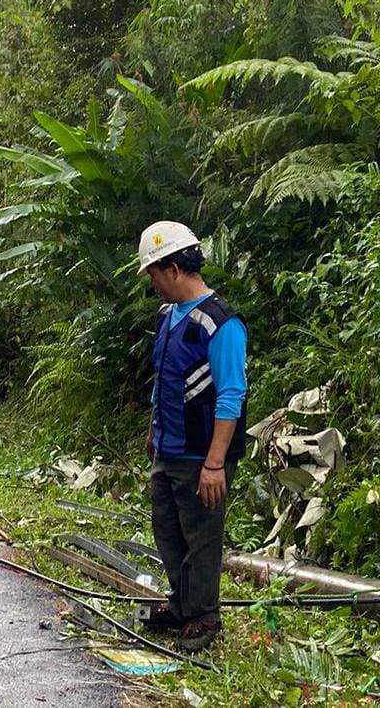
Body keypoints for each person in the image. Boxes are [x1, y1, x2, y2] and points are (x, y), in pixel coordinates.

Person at [137, 220, 248, 653]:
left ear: (173, 268)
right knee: (167, 528)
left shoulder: (221, 324)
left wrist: (215, 462)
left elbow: (231, 395)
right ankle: (181, 604)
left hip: (201, 452)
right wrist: (154, 428)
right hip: (169, 445)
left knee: (201, 536)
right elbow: (163, 376)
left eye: (153, 274)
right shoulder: (168, 317)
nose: (152, 283)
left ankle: (203, 615)